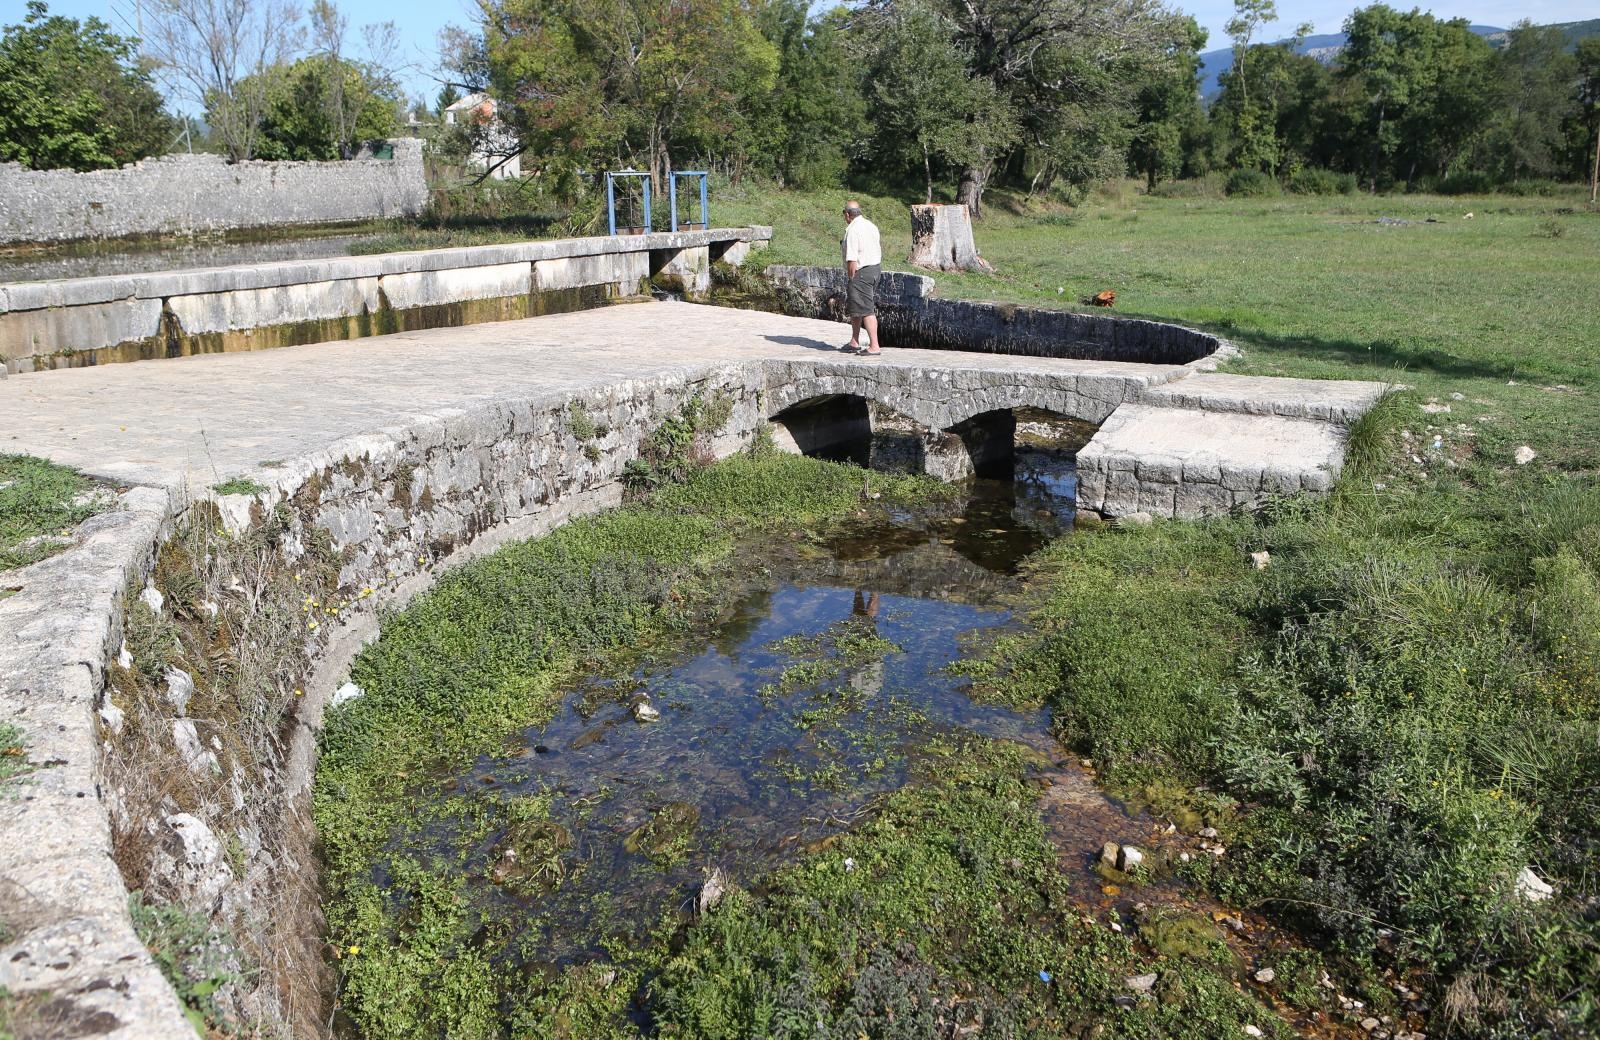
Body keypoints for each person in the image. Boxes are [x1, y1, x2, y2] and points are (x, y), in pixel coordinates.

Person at [840, 200, 882, 355]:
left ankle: (874, 346)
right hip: (875, 269)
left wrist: (851, 277)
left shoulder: (853, 229)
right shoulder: (871, 226)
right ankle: (854, 341)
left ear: (847, 214)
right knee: (856, 306)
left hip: (861, 272)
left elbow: (852, 257)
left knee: (866, 309)